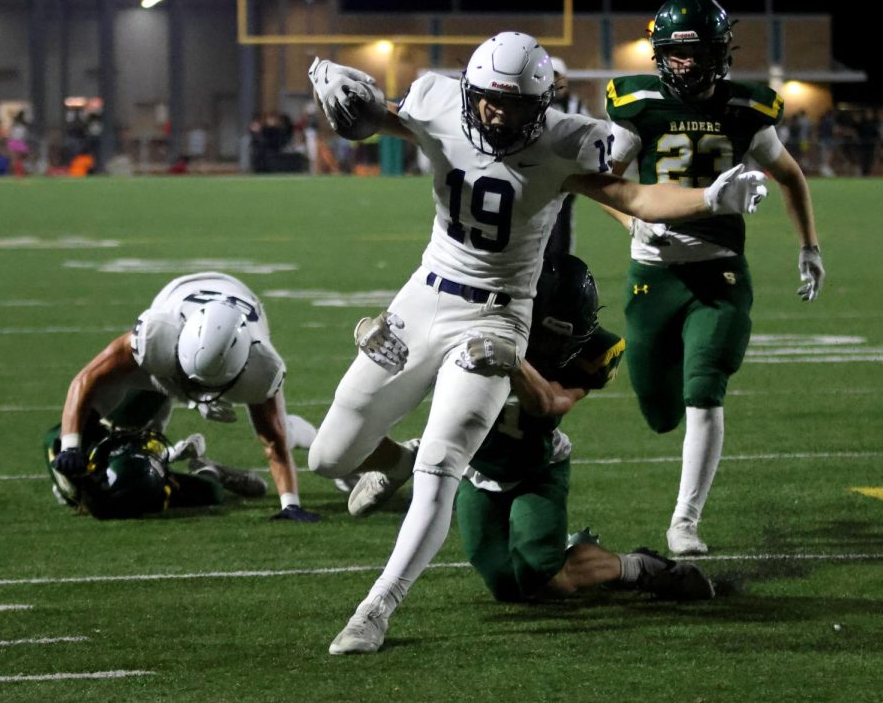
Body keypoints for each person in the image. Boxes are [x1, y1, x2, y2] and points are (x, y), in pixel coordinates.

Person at [305, 30, 767, 655]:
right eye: (490, 99)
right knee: (329, 458)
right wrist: (339, 93)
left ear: (541, 103)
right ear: (471, 92)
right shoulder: (439, 102)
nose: (498, 113)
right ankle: (390, 460)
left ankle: (377, 605)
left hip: (496, 317)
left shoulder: (563, 141)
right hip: (424, 295)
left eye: (516, 103)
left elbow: (634, 195)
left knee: (443, 465)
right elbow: (380, 121)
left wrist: (708, 196)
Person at [347, 254, 716, 604]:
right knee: (508, 588)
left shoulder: (594, 351)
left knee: (543, 577)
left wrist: (514, 363)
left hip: (536, 467)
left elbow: (550, 404)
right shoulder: (479, 323)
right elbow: (412, 353)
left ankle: (640, 567)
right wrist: (372, 337)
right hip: (477, 469)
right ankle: (411, 456)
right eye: (553, 335)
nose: (563, 346)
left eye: (572, 335)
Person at [603, 0, 825, 557]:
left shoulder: (747, 109)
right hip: (653, 275)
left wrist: (810, 246)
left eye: (696, 53)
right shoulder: (639, 104)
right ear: (659, 55)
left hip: (720, 274)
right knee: (658, 413)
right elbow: (600, 181)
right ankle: (676, 432)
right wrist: (633, 223)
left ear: (720, 51)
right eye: (675, 55)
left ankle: (684, 521)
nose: (684, 65)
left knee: (704, 390)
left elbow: (790, 175)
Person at [54, 272, 322, 522]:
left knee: (281, 426)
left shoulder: (260, 367)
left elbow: (273, 439)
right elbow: (87, 379)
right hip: (177, 295)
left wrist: (290, 503)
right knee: (119, 416)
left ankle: (321, 441)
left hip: (237, 306)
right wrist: (70, 445)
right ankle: (141, 445)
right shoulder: (155, 336)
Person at [43, 418, 267, 520]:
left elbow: (55, 437)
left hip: (118, 467)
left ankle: (170, 454)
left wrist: (71, 455)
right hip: (132, 479)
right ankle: (205, 467)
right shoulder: (149, 491)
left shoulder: (89, 454)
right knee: (212, 492)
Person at [544, 57, 590, 260]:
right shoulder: (536, 104)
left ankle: (561, 267)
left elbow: (590, 134)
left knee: (561, 227)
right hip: (538, 174)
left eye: (558, 77)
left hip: (566, 174)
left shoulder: (576, 105)